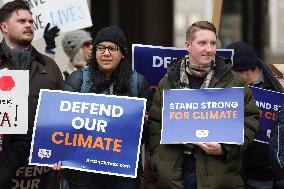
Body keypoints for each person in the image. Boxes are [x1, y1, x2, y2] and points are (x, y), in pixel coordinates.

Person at [148, 21, 259, 189]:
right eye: (202, 43)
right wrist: (159, 161)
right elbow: (156, 124)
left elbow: (250, 120)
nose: (209, 49)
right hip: (175, 174)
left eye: (213, 43)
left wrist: (226, 148)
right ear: (188, 45)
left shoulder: (234, 82)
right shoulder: (168, 82)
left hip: (219, 175)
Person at [53, 25, 150, 189]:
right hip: (82, 173)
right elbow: (61, 122)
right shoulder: (78, 80)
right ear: (95, 52)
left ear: (122, 53)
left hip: (122, 174)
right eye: (101, 48)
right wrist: (56, 153)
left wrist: (144, 124)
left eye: (112, 48)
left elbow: (149, 134)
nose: (106, 53)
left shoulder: (137, 83)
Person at [0, 0, 63, 188]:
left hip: (40, 166)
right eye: (21, 21)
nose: (29, 25)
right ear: (4, 26)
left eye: (31, 21)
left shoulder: (49, 66)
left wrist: (61, 152)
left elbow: (62, 113)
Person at [225, 41, 284, 189]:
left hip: (275, 171)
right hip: (246, 171)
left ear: (246, 72)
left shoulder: (279, 83)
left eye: (231, 74)